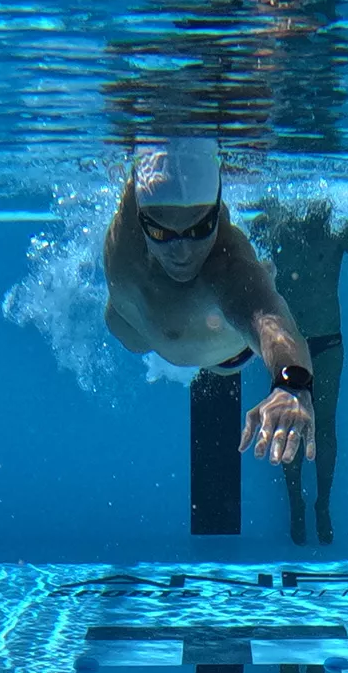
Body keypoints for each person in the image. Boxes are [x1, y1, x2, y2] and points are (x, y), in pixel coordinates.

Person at [103, 140, 316, 466]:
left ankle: (265, 277)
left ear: (218, 213)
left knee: (254, 291)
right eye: (162, 233)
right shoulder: (125, 230)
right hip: (143, 327)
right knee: (117, 320)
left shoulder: (225, 267)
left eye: (200, 228)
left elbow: (268, 321)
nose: (182, 251)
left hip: (224, 351)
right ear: (140, 216)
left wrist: (291, 384)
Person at [252, 199, 348, 545]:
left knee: (324, 424)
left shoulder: (338, 227)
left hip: (327, 343)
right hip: (288, 344)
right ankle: (295, 506)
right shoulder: (270, 222)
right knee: (290, 424)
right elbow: (241, 269)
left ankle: (322, 505)